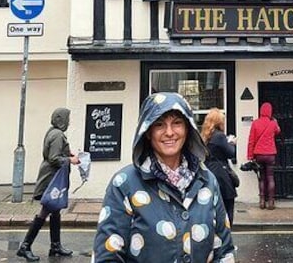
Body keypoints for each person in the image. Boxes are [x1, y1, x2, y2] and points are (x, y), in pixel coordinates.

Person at [92, 92, 235, 263]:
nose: (169, 132)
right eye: (159, 125)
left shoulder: (208, 181)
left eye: (177, 123)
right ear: (147, 132)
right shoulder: (124, 183)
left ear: (187, 128)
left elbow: (224, 252)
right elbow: (107, 257)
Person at [17, 107, 80, 261]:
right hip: (52, 179)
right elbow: (54, 158)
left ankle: (56, 246)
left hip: (53, 177)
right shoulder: (58, 135)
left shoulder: (53, 132)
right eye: (67, 118)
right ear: (61, 119)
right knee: (46, 210)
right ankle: (25, 246)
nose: (69, 122)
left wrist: (68, 153)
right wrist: (70, 160)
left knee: (55, 210)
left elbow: (55, 153)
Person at [201, 108, 238, 224]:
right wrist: (231, 143)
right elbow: (231, 153)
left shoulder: (205, 136)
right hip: (221, 175)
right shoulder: (219, 136)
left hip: (208, 171)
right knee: (227, 208)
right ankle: (226, 237)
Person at [246, 102, 281, 210]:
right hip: (270, 154)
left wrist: (250, 155)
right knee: (270, 178)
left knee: (261, 178)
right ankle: (271, 202)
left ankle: (262, 201)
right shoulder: (273, 123)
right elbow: (278, 131)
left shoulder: (255, 123)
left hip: (259, 154)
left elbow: (251, 140)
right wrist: (276, 122)